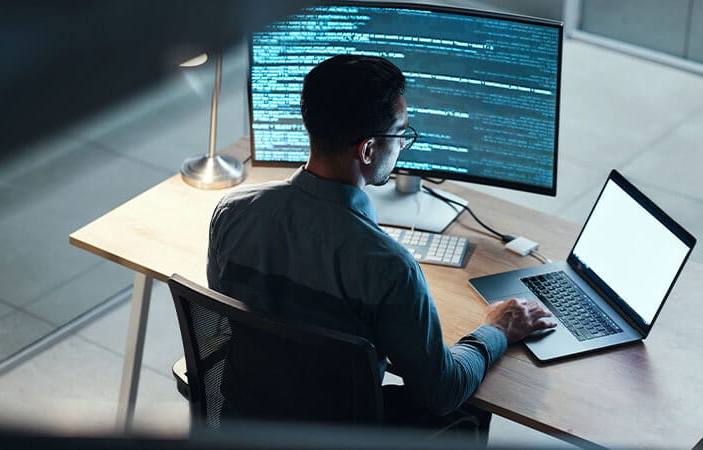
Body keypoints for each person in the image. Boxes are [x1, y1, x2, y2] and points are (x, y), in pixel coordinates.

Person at [207, 55, 557, 430]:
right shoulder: (389, 266)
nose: (404, 144)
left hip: (244, 421)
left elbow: (229, 319)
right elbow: (441, 392)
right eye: (401, 134)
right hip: (338, 435)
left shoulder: (231, 212)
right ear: (369, 150)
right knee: (469, 400)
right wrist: (498, 329)